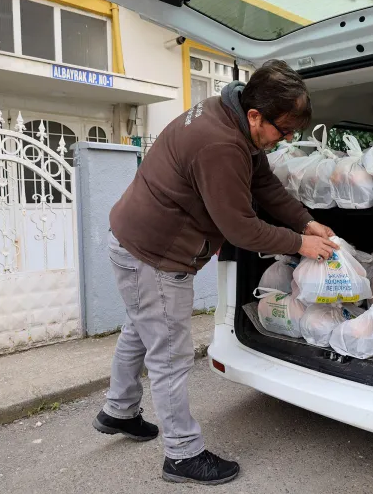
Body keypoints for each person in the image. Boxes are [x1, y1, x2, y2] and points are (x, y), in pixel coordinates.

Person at [93, 60, 337, 485]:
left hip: (134, 241)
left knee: (142, 328)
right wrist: (301, 244)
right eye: (285, 130)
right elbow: (240, 227)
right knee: (169, 353)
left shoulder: (230, 115)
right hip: (155, 254)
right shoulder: (221, 145)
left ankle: (119, 409)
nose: (289, 140)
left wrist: (304, 220)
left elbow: (263, 184)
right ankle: (182, 456)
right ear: (256, 115)